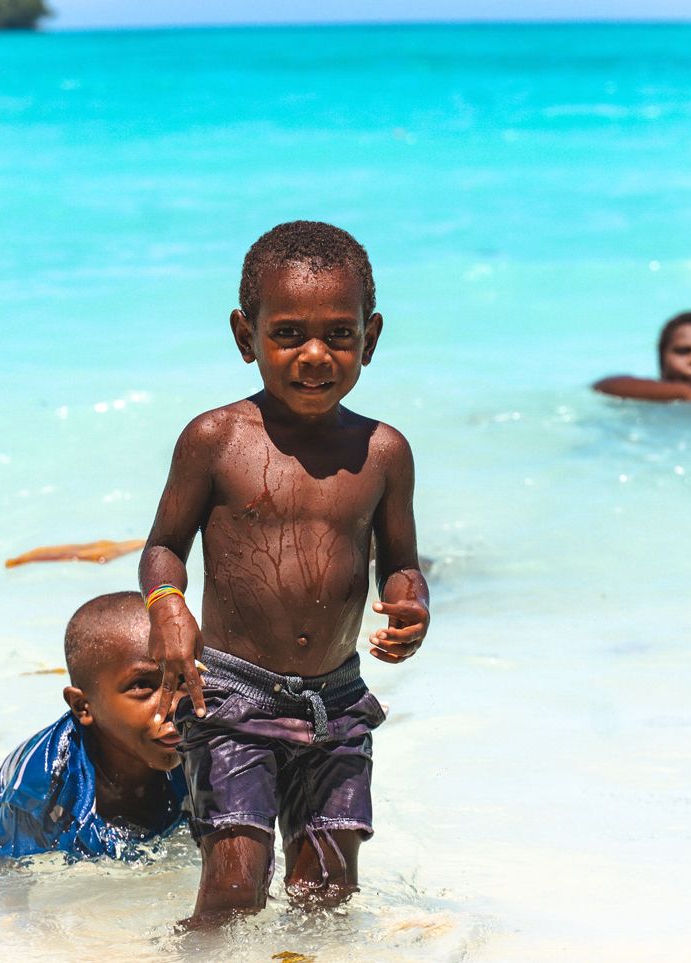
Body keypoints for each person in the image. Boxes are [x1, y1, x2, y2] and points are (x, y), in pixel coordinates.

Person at [139, 220, 430, 922]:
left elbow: (400, 563)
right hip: (234, 698)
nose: (314, 354)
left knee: (327, 893)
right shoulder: (216, 439)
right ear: (246, 337)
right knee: (234, 890)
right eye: (288, 333)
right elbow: (162, 546)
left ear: (373, 336)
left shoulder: (383, 451)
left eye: (339, 334)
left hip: (337, 702)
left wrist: (411, 605)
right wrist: (168, 604)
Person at [0, 591, 188, 860]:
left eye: (183, 679)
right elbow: (5, 881)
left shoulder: (203, 742)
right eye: (142, 685)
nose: (174, 705)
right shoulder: (39, 792)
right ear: (82, 706)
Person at [593, 310, 691, 402]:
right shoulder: (637, 392)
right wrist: (687, 391)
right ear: (662, 357)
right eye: (683, 351)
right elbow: (606, 386)